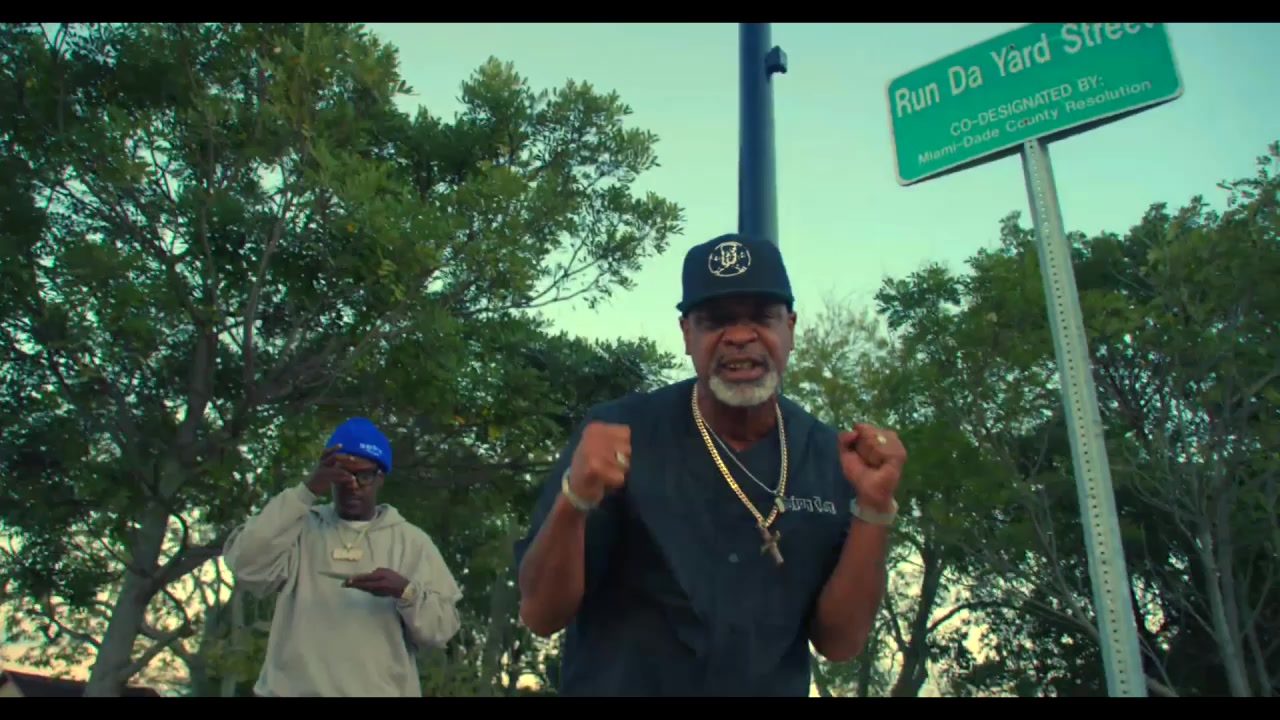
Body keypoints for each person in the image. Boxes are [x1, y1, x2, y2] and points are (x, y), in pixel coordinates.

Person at [513, 233, 907, 696]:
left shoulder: (828, 454)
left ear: (790, 328)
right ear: (687, 334)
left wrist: (874, 507)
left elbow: (839, 643)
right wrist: (575, 499)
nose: (739, 336)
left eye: (761, 316)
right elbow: (541, 614)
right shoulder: (619, 433)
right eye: (715, 320)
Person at [224, 416, 462, 697]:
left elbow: (441, 630)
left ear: (380, 478)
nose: (353, 485)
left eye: (364, 476)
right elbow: (245, 564)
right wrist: (306, 491)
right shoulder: (299, 528)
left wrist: (405, 592)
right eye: (342, 475)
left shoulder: (411, 541)